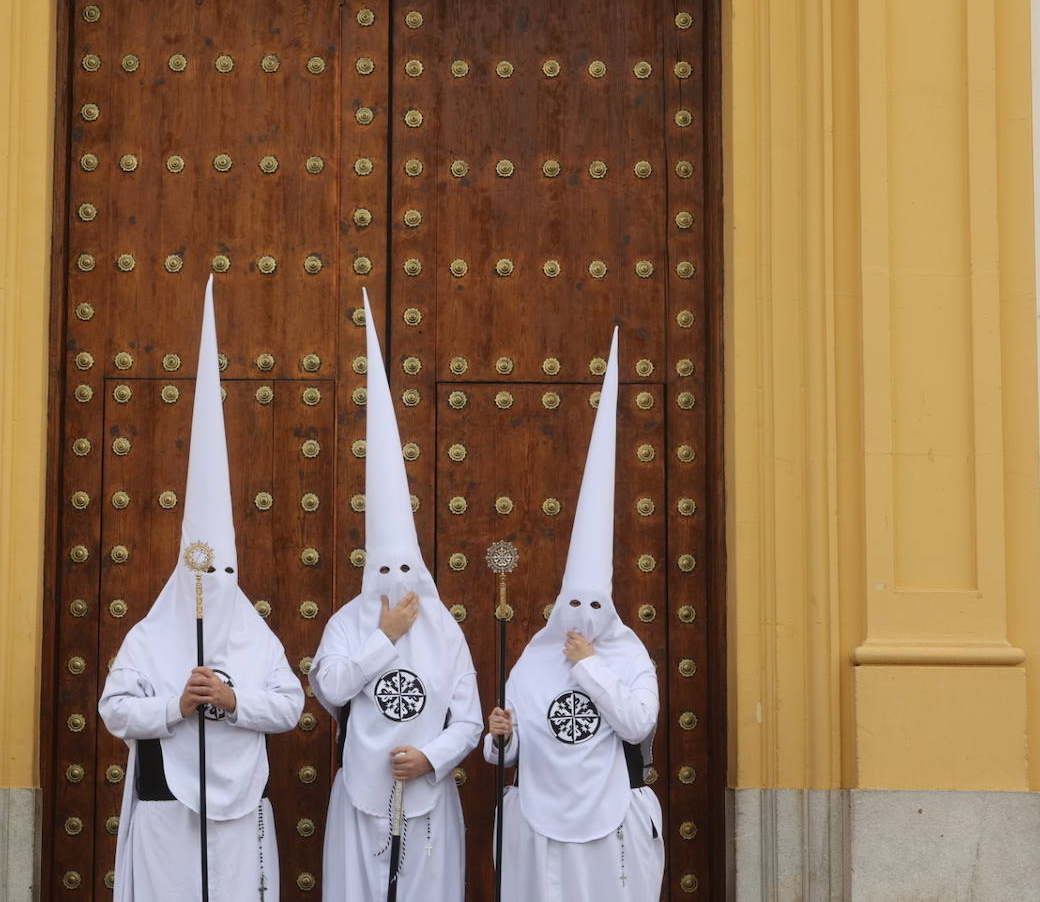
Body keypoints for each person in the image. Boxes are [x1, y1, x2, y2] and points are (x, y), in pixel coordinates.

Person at [99, 277, 303, 901]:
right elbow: (114, 710)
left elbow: (290, 705)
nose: (210, 590)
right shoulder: (149, 635)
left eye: (221, 578)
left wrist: (232, 696)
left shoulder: (254, 635)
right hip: (166, 805)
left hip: (240, 805)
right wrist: (175, 705)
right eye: (200, 577)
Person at [310, 289, 483, 901]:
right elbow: (330, 689)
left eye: (405, 566)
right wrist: (384, 640)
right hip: (360, 793)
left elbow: (468, 718)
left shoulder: (446, 631)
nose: (396, 578)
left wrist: (431, 758)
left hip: (429, 797)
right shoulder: (345, 624)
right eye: (384, 566)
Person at [484, 327, 665, 901]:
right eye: (573, 605)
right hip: (540, 825)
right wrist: (500, 737)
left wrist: (589, 666)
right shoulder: (532, 663)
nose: (582, 616)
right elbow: (508, 752)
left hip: (610, 822)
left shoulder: (626, 655)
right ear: (557, 607)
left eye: (594, 605)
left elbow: (637, 724)